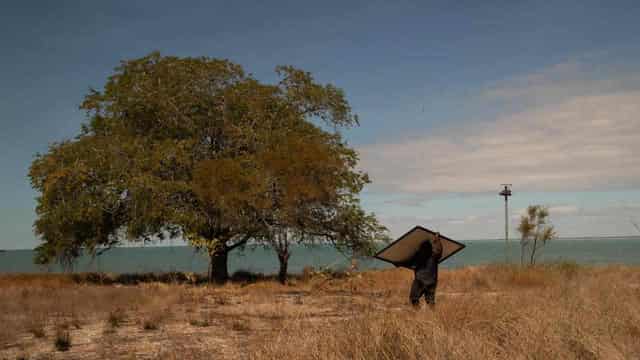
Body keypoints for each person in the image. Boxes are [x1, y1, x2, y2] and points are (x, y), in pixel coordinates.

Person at [407, 233, 443, 307]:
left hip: (420, 281)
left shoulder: (419, 257)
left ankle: (418, 314)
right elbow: (439, 250)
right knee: (430, 301)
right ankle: (432, 316)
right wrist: (437, 240)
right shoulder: (434, 256)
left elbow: (412, 265)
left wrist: (437, 240)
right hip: (431, 281)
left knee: (414, 298)